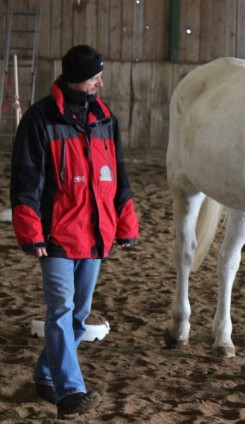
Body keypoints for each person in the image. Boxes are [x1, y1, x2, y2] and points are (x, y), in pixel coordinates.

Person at [10, 45, 139, 420]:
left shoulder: (105, 119)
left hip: (96, 236)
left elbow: (120, 178)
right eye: (94, 76)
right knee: (61, 310)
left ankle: (45, 375)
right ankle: (69, 392)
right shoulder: (39, 120)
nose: (101, 82)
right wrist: (31, 232)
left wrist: (126, 223)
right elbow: (25, 181)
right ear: (75, 79)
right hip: (56, 237)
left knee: (79, 316)